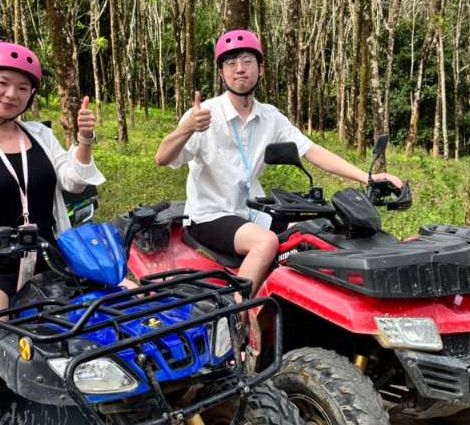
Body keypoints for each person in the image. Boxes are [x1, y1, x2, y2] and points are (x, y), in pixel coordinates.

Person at [155, 29, 403, 294]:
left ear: (260, 69)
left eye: (247, 61)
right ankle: (236, 311)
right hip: (211, 214)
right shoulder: (204, 114)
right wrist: (187, 128)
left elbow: (311, 150)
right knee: (265, 243)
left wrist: (367, 178)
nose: (240, 69)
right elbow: (162, 157)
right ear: (221, 73)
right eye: (231, 63)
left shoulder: (270, 117)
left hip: (253, 212)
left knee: (317, 232)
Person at [0, 42, 105, 333]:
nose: (11, 94)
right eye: (2, 83)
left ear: (31, 94)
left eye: (22, 87)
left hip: (54, 255)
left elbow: (73, 181)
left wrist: (84, 139)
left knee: (126, 304)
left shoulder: (42, 135)